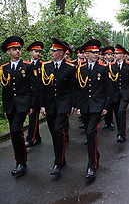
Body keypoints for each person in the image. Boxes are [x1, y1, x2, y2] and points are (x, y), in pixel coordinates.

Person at [0, 36, 38, 176]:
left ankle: (21, 162)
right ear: (8, 52)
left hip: (23, 104)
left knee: (16, 130)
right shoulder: (4, 68)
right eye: (14, 49)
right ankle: (19, 160)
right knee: (14, 133)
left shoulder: (28, 66)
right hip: (11, 106)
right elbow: (5, 89)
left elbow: (35, 87)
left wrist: (32, 105)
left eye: (19, 49)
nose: (17, 51)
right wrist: (5, 108)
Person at [40, 37, 77, 176]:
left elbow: (74, 88)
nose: (51, 53)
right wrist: (42, 105)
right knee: (53, 132)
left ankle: (58, 162)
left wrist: (73, 104)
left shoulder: (70, 67)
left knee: (58, 130)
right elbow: (42, 87)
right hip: (49, 105)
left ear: (61, 52)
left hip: (63, 104)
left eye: (54, 51)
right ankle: (61, 158)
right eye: (51, 50)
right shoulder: (46, 66)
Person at [76, 39, 111, 179]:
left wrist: (106, 107)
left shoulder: (103, 68)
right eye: (93, 52)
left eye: (97, 52)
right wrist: (78, 106)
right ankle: (95, 155)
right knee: (88, 133)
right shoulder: (80, 69)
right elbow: (78, 90)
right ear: (86, 54)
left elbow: (108, 90)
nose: (96, 54)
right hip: (85, 106)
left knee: (91, 132)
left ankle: (91, 165)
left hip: (98, 105)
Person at [108, 44, 129, 143]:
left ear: (123, 55)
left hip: (125, 93)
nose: (115, 55)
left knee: (121, 111)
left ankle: (122, 134)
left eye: (117, 53)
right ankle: (119, 131)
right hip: (115, 94)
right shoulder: (111, 66)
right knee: (117, 114)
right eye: (115, 53)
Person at [25, 41, 44, 148]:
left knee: (33, 118)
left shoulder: (42, 66)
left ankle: (30, 138)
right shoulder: (25, 65)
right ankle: (37, 137)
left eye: (39, 52)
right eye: (36, 51)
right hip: (27, 96)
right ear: (31, 52)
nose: (38, 54)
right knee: (32, 118)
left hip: (38, 96)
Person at [102, 46, 116, 129]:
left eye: (111, 54)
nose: (109, 56)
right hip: (104, 88)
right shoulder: (102, 65)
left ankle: (110, 121)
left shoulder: (114, 65)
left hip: (113, 87)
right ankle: (106, 122)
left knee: (110, 106)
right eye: (108, 54)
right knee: (105, 105)